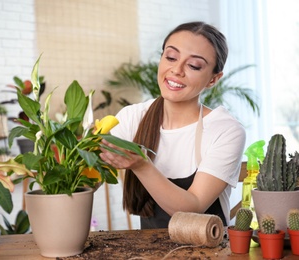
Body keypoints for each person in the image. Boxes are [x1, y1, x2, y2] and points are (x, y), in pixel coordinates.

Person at [99, 21, 246, 229]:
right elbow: (88, 175)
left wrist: (141, 165)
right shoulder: (133, 117)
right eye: (171, 57)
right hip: (149, 250)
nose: (176, 70)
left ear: (213, 79)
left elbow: (193, 207)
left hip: (210, 251)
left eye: (194, 65)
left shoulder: (225, 130)